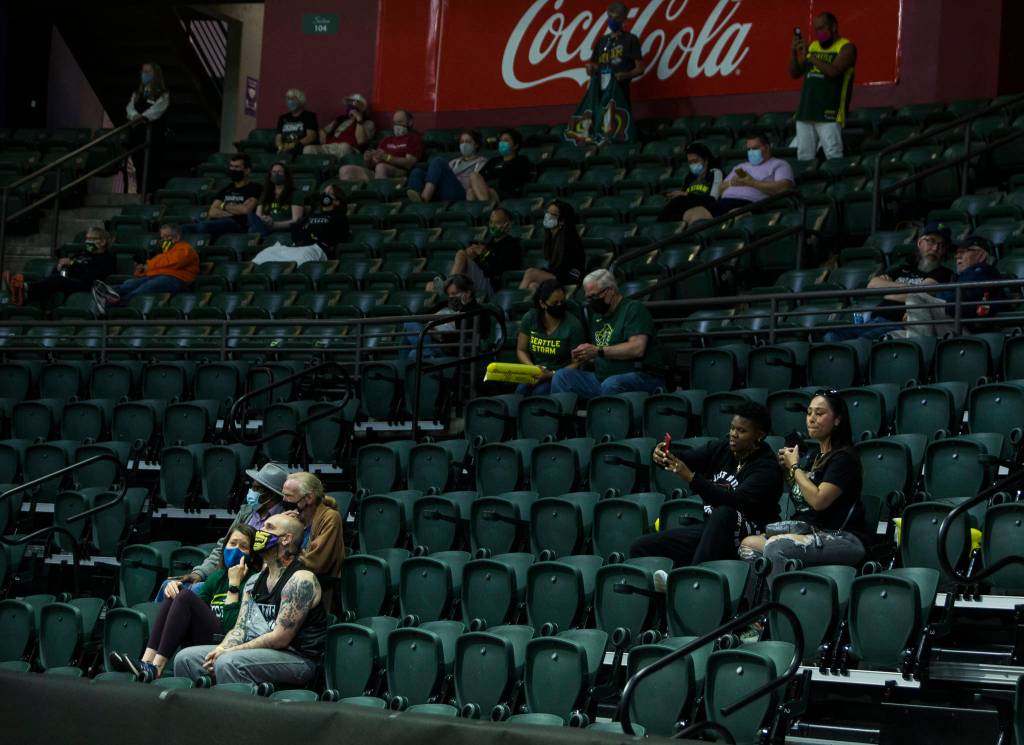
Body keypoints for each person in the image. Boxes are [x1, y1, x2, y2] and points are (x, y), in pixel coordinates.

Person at [173, 514, 327, 686]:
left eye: (268, 527)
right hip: (258, 652)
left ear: (286, 539)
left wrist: (230, 652)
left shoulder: (300, 580)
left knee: (228, 662)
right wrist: (222, 648)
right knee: (186, 658)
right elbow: (240, 628)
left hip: (298, 659)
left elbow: (280, 639)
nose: (260, 531)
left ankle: (233, 712)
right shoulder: (255, 581)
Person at [630, 403, 783, 571]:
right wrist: (664, 455)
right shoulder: (723, 447)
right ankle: (665, 590)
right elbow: (690, 458)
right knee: (641, 546)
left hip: (751, 532)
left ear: (759, 435)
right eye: (732, 428)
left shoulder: (767, 468)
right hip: (712, 529)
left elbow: (733, 501)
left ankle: (689, 578)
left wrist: (691, 477)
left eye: (741, 431)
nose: (733, 434)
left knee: (724, 512)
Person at [740, 389, 866, 577]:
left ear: (837, 420)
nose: (811, 418)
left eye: (819, 413)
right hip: (810, 533)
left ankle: (783, 603)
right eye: (809, 413)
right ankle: (763, 601)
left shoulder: (844, 458)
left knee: (775, 547)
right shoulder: (815, 456)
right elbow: (804, 497)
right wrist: (788, 472)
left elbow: (818, 501)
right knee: (748, 545)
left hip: (841, 537)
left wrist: (795, 468)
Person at [109, 525, 256, 679]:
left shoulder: (252, 580)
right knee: (176, 594)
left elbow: (231, 628)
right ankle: (146, 662)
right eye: (232, 544)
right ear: (224, 546)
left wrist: (234, 585)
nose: (236, 549)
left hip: (226, 641)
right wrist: (175, 591)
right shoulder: (216, 577)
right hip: (205, 635)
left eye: (243, 546)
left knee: (185, 596)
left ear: (251, 555)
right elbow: (193, 610)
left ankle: (156, 668)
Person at [824, 222, 954, 341]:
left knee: (861, 343)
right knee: (831, 336)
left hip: (900, 325)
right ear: (920, 243)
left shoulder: (943, 273)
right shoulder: (903, 268)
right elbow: (872, 284)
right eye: (931, 241)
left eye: (941, 245)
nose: (936, 248)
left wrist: (888, 291)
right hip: (875, 320)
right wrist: (908, 290)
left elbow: (919, 294)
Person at [172, 463, 290, 593]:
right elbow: (224, 547)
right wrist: (200, 573)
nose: (252, 491)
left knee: (194, 591)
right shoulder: (246, 512)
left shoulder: (283, 521)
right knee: (170, 585)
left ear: (271, 494)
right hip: (226, 574)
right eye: (252, 487)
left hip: (253, 580)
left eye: (257, 489)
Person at [551, 269, 665, 399]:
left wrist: (597, 351)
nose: (591, 302)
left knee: (611, 384)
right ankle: (567, 418)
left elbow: (637, 348)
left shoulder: (633, 309)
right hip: (601, 379)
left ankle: (605, 417)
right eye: (588, 298)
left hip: (640, 376)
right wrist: (585, 355)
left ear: (610, 291)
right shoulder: (597, 316)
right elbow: (601, 352)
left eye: (594, 296)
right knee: (562, 376)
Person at [790, 12, 857, 161]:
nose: (818, 33)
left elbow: (834, 71)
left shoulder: (847, 47)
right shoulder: (813, 46)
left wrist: (810, 56)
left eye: (822, 28)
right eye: (816, 29)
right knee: (804, 156)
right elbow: (794, 74)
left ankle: (837, 184)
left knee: (833, 154)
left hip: (829, 112)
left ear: (833, 27)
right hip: (806, 110)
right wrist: (794, 53)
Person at [91, 223, 198, 314]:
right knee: (132, 283)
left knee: (146, 287)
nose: (163, 240)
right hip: (159, 277)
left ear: (177, 237)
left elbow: (173, 263)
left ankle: (115, 304)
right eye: (162, 237)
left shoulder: (186, 249)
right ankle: (106, 293)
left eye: (167, 237)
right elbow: (156, 268)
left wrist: (148, 266)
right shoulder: (165, 253)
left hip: (178, 280)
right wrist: (141, 270)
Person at [4, 226, 115, 306]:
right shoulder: (82, 254)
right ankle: (21, 293)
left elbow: (92, 275)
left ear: (103, 242)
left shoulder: (106, 258)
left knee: (57, 279)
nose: (87, 242)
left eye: (92, 239)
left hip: (86, 285)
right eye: (87, 239)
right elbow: (71, 266)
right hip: (70, 279)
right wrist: (61, 267)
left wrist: (72, 264)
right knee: (53, 276)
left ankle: (23, 289)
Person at [281, 472, 344, 608]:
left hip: (316, 592)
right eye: (283, 494)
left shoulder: (330, 517)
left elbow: (316, 561)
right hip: (288, 585)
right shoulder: (294, 519)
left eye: (289, 496)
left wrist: (285, 558)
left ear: (309, 498)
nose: (284, 500)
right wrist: (282, 524)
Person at [515, 279, 587, 396]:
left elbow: (578, 363)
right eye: (555, 303)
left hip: (558, 375)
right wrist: (532, 368)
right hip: (534, 372)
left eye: (562, 302)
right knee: (519, 393)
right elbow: (521, 350)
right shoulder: (530, 318)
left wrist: (551, 374)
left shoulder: (573, 325)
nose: (559, 306)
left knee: (540, 393)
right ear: (543, 304)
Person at [401, 274, 488, 360]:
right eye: (449, 294)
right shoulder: (444, 304)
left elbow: (468, 335)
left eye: (454, 293)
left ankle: (425, 355)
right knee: (410, 323)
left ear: (467, 293)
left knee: (414, 353)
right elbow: (420, 315)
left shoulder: (477, 311)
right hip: (429, 339)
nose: (451, 297)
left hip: (448, 348)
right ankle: (427, 354)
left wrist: (438, 335)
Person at [442, 207, 522, 300]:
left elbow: (500, 270)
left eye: (497, 223)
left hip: (493, 287)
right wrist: (474, 256)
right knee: (430, 286)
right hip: (482, 280)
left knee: (461, 254)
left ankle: (448, 285)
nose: (492, 226)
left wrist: (484, 254)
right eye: (491, 222)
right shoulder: (489, 243)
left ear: (507, 225)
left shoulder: (512, 245)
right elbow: (483, 265)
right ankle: (451, 287)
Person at [713, 132, 795, 215]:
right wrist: (731, 183)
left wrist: (752, 182)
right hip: (724, 203)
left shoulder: (779, 164)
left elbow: (784, 188)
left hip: (749, 205)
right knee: (700, 211)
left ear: (767, 148)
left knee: (732, 215)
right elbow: (720, 188)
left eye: (755, 148)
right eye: (749, 149)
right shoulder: (741, 167)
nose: (751, 152)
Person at [934, 235, 1005, 326]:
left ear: (981, 255)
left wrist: (937, 295)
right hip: (954, 323)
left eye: (963, 252)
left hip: (970, 329)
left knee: (916, 298)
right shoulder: (960, 276)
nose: (957, 256)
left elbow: (955, 296)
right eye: (957, 252)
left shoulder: (985, 272)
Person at [586, 3, 645, 107]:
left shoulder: (631, 39)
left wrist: (625, 75)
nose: (612, 20)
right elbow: (596, 65)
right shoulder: (602, 41)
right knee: (600, 121)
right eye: (610, 17)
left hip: (620, 92)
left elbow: (640, 69)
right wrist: (590, 68)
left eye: (616, 18)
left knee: (619, 120)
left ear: (624, 19)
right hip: (600, 91)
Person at [190, 154, 262, 238]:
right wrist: (234, 212)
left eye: (237, 167)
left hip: (238, 225)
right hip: (221, 222)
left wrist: (223, 205)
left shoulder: (255, 188)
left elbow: (246, 210)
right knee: (183, 229)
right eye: (231, 166)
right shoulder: (226, 189)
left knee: (202, 226)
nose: (233, 169)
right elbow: (212, 212)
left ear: (247, 170)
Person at [339, 109, 423, 182]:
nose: (397, 126)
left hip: (399, 172)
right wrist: (368, 160)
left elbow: (409, 163)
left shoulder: (414, 139)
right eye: (395, 123)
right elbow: (372, 164)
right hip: (378, 172)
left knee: (381, 167)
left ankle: (381, 195)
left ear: (410, 122)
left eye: (400, 122)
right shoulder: (387, 140)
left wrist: (387, 157)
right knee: (345, 170)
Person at [519, 200, 586, 290]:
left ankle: (515, 302)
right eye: (547, 213)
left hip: (570, 278)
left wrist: (542, 273)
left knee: (530, 273)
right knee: (533, 285)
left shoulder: (570, 239)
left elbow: (564, 269)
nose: (548, 216)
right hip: (558, 275)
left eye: (553, 215)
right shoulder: (552, 237)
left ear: (562, 221)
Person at [407, 129, 487, 203]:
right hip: (445, 191)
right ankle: (416, 199)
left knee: (438, 161)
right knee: (417, 172)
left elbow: (476, 182)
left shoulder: (481, 162)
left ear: (476, 144)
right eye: (461, 142)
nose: (464, 144)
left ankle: (424, 198)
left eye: (467, 141)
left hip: (461, 193)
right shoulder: (454, 162)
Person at [125, 61, 170, 194]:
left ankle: (150, 194)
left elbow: (157, 110)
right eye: (143, 72)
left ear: (155, 74)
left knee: (152, 165)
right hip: (138, 134)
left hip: (153, 135)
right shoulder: (137, 92)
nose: (145, 74)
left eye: (148, 72)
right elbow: (130, 108)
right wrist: (134, 116)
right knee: (138, 164)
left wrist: (143, 117)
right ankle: (140, 191)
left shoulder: (163, 93)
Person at [657, 143, 725, 224]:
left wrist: (687, 195)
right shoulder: (689, 177)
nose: (693, 165)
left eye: (695, 161)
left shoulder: (715, 172)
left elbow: (712, 199)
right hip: (687, 207)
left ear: (706, 160)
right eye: (690, 162)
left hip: (705, 208)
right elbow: (682, 195)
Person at [468, 129, 532, 202]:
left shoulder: (521, 160)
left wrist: (492, 175)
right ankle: (484, 206)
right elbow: (481, 176)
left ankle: (484, 204)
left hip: (508, 193)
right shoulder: (494, 160)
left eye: (506, 140)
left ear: (516, 146)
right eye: (501, 140)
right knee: (471, 189)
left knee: (488, 191)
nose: (502, 143)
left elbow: (510, 178)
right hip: (489, 190)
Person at [306, 93, 375, 158]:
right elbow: (323, 131)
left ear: (362, 108)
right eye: (350, 104)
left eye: (355, 104)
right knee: (308, 149)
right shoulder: (341, 119)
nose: (351, 106)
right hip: (331, 145)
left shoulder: (368, 123)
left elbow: (361, 141)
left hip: (349, 148)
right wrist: (324, 137)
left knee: (344, 147)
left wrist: (359, 119)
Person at [246, 162, 305, 238]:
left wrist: (274, 224)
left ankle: (261, 241)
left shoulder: (295, 194)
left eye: (280, 172)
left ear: (286, 175)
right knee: (251, 217)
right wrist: (264, 219)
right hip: (266, 226)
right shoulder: (265, 194)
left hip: (284, 228)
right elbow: (258, 216)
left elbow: (296, 220)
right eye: (273, 172)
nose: (276, 174)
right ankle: (262, 239)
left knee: (253, 230)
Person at [275, 89, 319, 158]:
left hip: (300, 148)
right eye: (288, 99)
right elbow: (278, 138)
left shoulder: (309, 116)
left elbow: (311, 137)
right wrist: (280, 147)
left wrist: (291, 146)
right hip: (284, 149)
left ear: (300, 101)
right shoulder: (283, 118)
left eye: (293, 99)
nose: (290, 101)